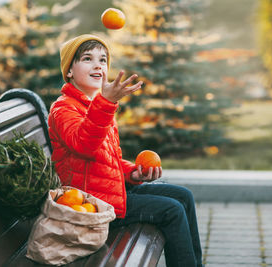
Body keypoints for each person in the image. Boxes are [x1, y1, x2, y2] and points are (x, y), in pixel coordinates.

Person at [48, 34, 204, 267]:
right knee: (172, 211)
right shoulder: (63, 109)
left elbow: (109, 160)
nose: (98, 64)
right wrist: (106, 104)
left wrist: (133, 173)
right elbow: (84, 145)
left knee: (183, 196)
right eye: (87, 59)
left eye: (103, 60)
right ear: (69, 71)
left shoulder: (97, 105)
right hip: (90, 203)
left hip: (110, 192)